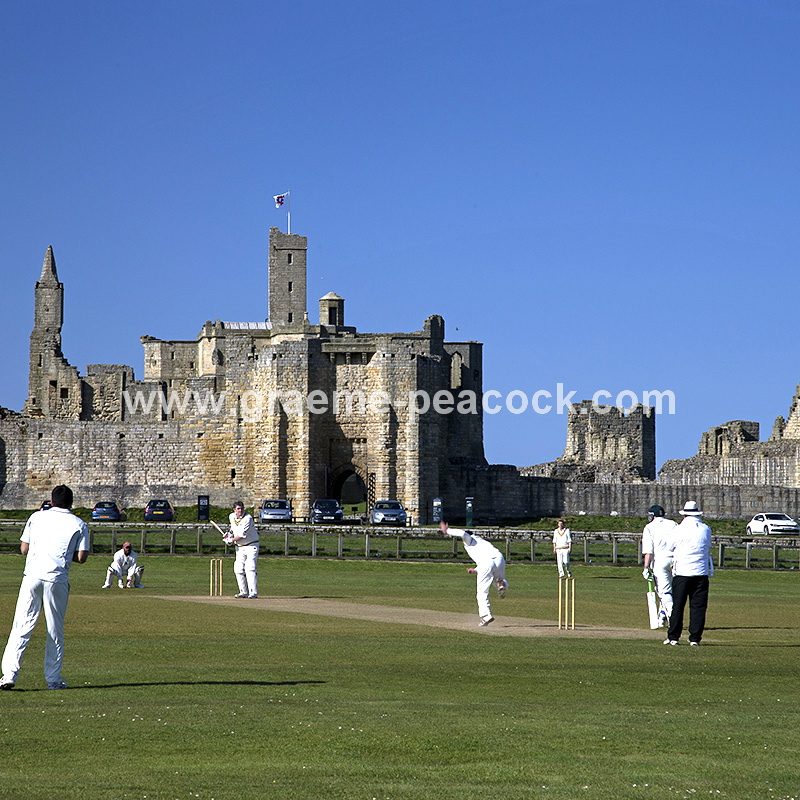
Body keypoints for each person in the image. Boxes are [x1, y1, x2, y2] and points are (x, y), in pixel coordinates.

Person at [1, 485, 90, 690]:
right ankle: (53, 679)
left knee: (21, 625)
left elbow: (24, 548)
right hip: (56, 578)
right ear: (71, 503)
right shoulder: (79, 523)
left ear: (52, 500)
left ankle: (9, 675)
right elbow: (82, 557)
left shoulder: (36, 517)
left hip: (32, 576)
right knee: (54, 629)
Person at [664, 500, 713, 646]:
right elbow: (707, 545)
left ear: (685, 515)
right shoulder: (705, 529)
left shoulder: (678, 529)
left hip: (682, 572)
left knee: (678, 606)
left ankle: (673, 636)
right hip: (701, 572)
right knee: (698, 607)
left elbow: (669, 546)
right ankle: (695, 638)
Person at [440, 520, 507, 627]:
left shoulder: (469, 539)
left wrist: (447, 530)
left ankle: (486, 616)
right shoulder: (481, 541)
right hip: (499, 559)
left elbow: (462, 533)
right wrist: (476, 569)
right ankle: (501, 584)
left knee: (482, 593)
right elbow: (486, 560)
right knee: (498, 579)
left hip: (487, 564)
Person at [641, 504, 678, 625]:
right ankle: (662, 616)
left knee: (664, 592)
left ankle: (673, 618)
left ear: (652, 515)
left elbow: (649, 551)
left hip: (660, 562)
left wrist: (646, 568)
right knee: (670, 591)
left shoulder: (649, 527)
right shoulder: (673, 524)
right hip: (676, 560)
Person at [229, 501, 259, 599]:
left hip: (251, 545)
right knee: (238, 569)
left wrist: (231, 540)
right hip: (240, 547)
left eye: (242, 508)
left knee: (250, 568)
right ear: (234, 510)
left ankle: (253, 592)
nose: (240, 510)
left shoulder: (248, 518)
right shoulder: (231, 517)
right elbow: (233, 529)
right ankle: (243, 592)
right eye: (238, 509)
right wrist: (229, 535)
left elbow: (242, 534)